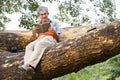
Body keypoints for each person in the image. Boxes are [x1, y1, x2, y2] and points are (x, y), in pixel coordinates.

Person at [18, 6, 61, 78]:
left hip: (50, 38)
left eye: (45, 14)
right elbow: (35, 38)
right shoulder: (38, 25)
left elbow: (58, 37)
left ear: (48, 14)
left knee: (39, 45)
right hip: (39, 39)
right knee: (29, 47)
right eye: (42, 14)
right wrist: (34, 32)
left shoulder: (54, 23)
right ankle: (27, 68)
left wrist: (53, 32)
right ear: (39, 16)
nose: (44, 16)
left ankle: (30, 66)